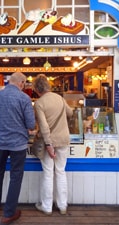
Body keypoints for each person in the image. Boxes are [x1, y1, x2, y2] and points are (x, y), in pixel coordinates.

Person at [0, 72, 36, 225]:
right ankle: (9, 213)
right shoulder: (24, 98)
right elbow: (31, 124)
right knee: (15, 176)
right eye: (24, 83)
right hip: (18, 144)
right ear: (21, 82)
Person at [32, 74, 73, 216]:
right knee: (61, 171)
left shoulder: (39, 103)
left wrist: (49, 144)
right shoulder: (60, 98)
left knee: (48, 173)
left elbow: (43, 127)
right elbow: (70, 112)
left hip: (49, 141)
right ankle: (62, 206)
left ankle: (47, 206)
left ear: (37, 89)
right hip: (63, 139)